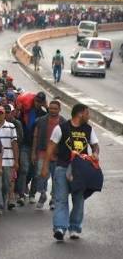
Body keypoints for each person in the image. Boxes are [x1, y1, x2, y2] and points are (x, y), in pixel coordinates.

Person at [41, 103, 99, 241]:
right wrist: (45, 166)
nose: (88, 116)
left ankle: (74, 228)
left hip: (80, 171)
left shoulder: (88, 129)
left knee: (79, 199)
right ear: (80, 113)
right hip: (62, 167)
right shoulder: (61, 128)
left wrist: (96, 153)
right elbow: (51, 147)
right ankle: (60, 228)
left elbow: (95, 145)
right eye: (87, 113)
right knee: (61, 199)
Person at [32, 100, 66, 210]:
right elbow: (35, 137)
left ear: (59, 110)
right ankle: (42, 195)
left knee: (57, 179)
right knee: (40, 176)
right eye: (51, 108)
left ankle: (53, 199)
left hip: (57, 156)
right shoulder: (41, 121)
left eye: (55, 108)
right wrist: (33, 152)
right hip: (42, 153)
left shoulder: (64, 123)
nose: (53, 110)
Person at [0, 106, 19, 212]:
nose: (0, 115)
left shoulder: (11, 126)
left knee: (6, 184)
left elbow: (14, 144)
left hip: (8, 159)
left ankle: (3, 200)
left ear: (4, 114)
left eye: (1, 113)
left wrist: (16, 161)